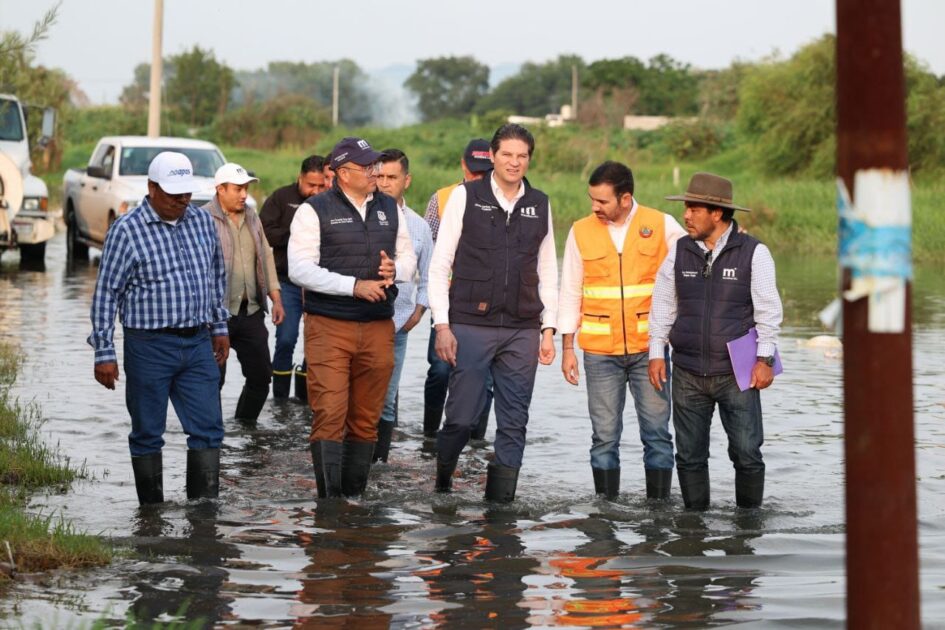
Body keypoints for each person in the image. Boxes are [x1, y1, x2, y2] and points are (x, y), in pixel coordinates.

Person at [88, 151, 230, 504]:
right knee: (148, 432)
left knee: (209, 428)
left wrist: (220, 326)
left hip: (197, 343)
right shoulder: (127, 230)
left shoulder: (200, 222)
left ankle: (203, 514)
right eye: (173, 195)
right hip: (148, 346)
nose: (182, 201)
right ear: (151, 188)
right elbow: (107, 293)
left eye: (186, 194)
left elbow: (215, 277)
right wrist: (104, 352)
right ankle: (150, 517)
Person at [428, 123, 558, 502]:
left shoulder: (541, 204)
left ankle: (500, 509)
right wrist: (442, 325)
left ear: (529, 158)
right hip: (469, 324)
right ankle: (443, 485)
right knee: (461, 418)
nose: (514, 163)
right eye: (507, 155)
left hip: (522, 328)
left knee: (515, 420)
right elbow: (440, 266)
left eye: (522, 156)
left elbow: (548, 268)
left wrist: (548, 329)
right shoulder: (465, 197)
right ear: (494, 157)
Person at [288, 136, 417, 498]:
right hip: (329, 325)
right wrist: (353, 286)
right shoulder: (313, 210)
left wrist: (397, 269)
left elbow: (409, 259)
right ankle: (329, 506)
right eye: (367, 167)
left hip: (378, 325)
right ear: (343, 173)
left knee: (366, 417)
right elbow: (298, 269)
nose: (375, 172)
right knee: (330, 411)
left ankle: (354, 500)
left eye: (376, 165)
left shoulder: (390, 209)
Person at [647, 172, 783, 510]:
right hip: (687, 372)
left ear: (717, 213)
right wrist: (656, 351)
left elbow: (768, 310)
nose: (686, 216)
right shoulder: (678, 252)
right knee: (689, 456)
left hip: (737, 373)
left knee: (747, 453)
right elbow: (663, 304)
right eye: (687, 208)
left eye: (694, 209)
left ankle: (748, 528)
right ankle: (693, 529)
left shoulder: (754, 253)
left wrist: (764, 360)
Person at [559, 161, 687, 500]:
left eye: (602, 201)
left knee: (658, 435)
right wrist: (567, 348)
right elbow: (570, 290)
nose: (594, 208)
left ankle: (658, 512)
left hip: (651, 352)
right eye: (592, 199)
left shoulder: (661, 225)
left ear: (625, 198)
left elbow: (696, 260)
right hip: (600, 354)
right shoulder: (580, 231)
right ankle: (606, 511)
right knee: (603, 438)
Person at [421, 138, 494, 442]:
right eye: (474, 171)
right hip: (448, 300)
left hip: (489, 302)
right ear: (463, 165)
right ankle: (429, 434)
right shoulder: (442, 198)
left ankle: (475, 439)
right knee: (440, 369)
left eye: (484, 172)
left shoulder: (504, 198)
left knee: (484, 376)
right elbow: (429, 249)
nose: (478, 178)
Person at [204, 163, 284, 422]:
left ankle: (245, 426)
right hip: (217, 316)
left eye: (246, 189)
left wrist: (276, 297)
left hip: (250, 311)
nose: (243, 195)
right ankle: (212, 435)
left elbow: (266, 256)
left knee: (262, 376)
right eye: (238, 189)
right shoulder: (203, 219)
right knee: (214, 380)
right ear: (220, 190)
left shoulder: (251, 216)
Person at [373, 148, 434, 462]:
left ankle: (379, 465)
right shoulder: (363, 217)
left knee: (387, 398)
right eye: (379, 175)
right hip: (362, 319)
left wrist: (419, 312)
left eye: (391, 177)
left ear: (406, 180)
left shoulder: (419, 227)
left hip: (398, 324)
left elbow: (431, 275)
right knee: (356, 396)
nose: (384, 183)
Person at [259, 155, 328, 403]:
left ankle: (306, 397)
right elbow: (264, 233)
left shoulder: (330, 204)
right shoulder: (281, 198)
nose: (316, 191)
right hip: (287, 281)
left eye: (321, 185)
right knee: (286, 338)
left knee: (317, 343)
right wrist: (298, 235)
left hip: (320, 284)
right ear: (300, 178)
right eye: (311, 185)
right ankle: (279, 400)